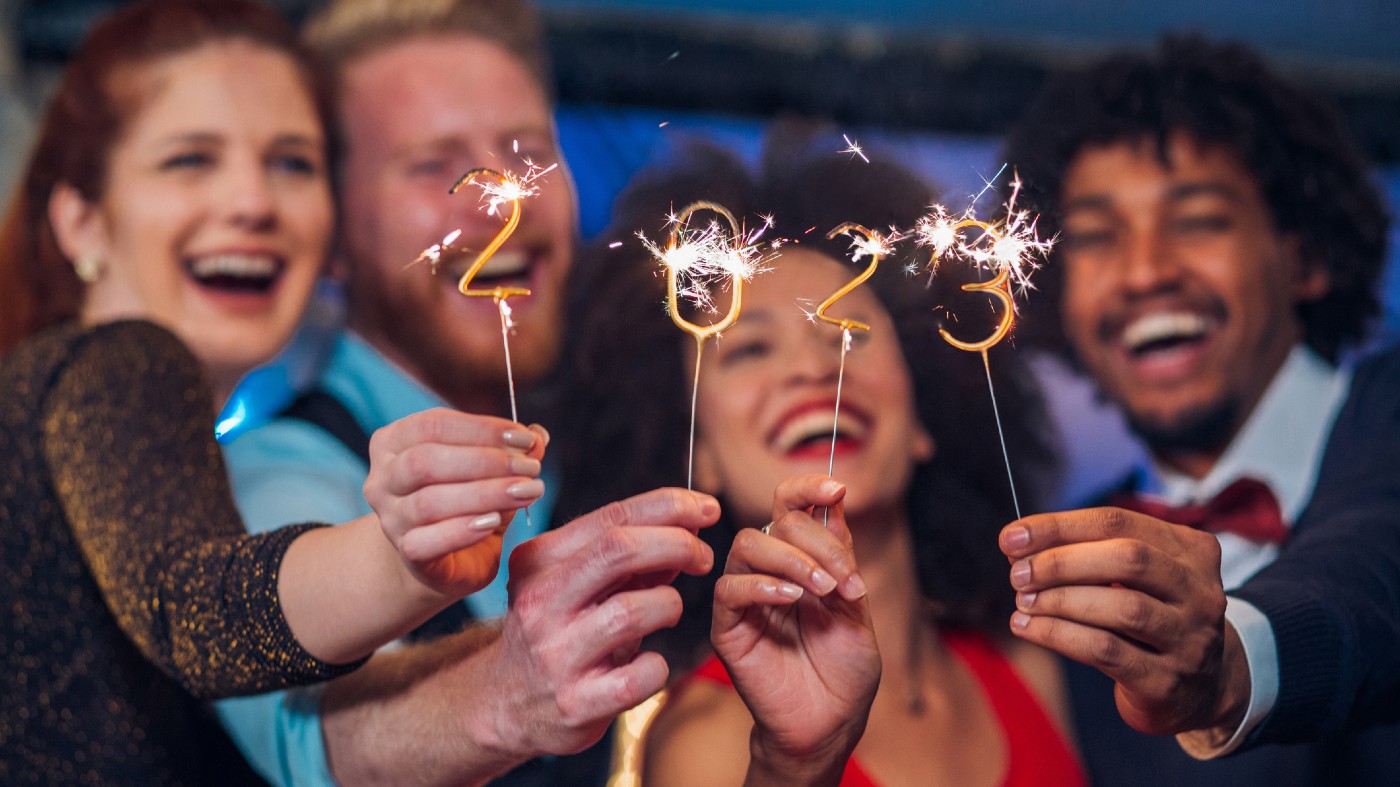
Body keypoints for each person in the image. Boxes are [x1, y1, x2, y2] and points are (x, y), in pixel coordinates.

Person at [0, 1, 546, 782]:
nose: (253, 202)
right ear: (81, 220)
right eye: (189, 159)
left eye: (292, 162)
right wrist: (402, 554)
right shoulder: (119, 361)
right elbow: (195, 609)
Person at [214, 1, 719, 784]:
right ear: (333, 232)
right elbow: (312, 740)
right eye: (434, 165)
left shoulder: (608, 440)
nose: (503, 200)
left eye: (529, 154)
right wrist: (503, 692)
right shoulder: (279, 476)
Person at [551, 138, 1084, 786]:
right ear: (698, 456)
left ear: (924, 416)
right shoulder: (707, 742)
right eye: (749, 350)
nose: (812, 368)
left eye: (848, 334)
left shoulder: (1029, 667)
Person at [995, 35, 1399, 783]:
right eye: (1095, 237)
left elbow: (1376, 568)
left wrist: (1230, 660)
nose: (1145, 271)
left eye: (1199, 220)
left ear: (1304, 257)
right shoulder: (1050, 580)